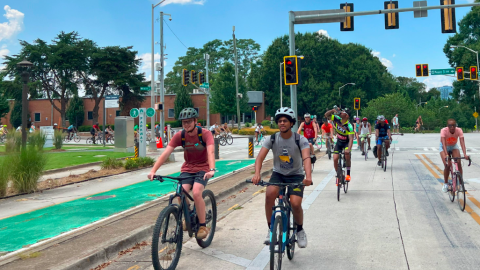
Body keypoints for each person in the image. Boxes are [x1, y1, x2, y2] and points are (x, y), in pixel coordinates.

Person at [148, 108, 215, 239]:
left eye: (189, 122)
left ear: (196, 121)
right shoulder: (180, 135)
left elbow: (211, 152)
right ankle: (188, 216)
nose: (186, 125)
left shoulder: (205, 134)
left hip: (203, 168)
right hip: (187, 169)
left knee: (196, 192)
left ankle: (202, 226)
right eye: (184, 122)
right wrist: (153, 171)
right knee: (180, 192)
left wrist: (212, 169)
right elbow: (166, 153)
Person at [251, 107, 312, 248]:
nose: (282, 123)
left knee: (295, 203)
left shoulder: (299, 139)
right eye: (279, 121)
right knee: (269, 195)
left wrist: (308, 176)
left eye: (285, 121)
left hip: (296, 175)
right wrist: (257, 173)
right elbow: (260, 157)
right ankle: (271, 229)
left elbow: (306, 158)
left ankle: (300, 230)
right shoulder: (272, 139)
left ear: (292, 123)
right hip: (278, 174)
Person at [325, 107, 354, 182]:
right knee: (335, 158)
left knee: (347, 155)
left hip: (346, 143)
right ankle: (339, 174)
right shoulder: (337, 119)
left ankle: (348, 174)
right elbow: (326, 115)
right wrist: (332, 110)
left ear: (347, 116)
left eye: (344, 112)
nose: (341, 112)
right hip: (339, 142)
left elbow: (351, 139)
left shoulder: (349, 126)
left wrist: (348, 149)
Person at [440, 119, 469, 193]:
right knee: (448, 164)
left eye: (454, 125)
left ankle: (460, 183)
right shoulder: (443, 130)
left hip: (453, 146)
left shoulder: (459, 130)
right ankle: (446, 184)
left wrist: (465, 154)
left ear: (456, 125)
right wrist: (446, 155)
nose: (452, 127)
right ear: (447, 126)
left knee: (458, 162)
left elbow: (462, 143)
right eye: (450, 125)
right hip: (444, 147)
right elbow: (443, 144)